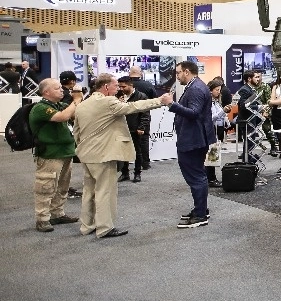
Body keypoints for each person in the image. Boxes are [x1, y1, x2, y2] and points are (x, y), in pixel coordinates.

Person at [73, 73, 171, 239]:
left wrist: (83, 148)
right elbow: (133, 107)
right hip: (103, 155)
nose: (118, 89)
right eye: (115, 86)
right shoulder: (108, 101)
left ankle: (87, 226)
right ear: (105, 87)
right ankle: (104, 228)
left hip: (86, 154)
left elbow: (76, 131)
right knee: (105, 191)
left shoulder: (83, 104)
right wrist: (159, 101)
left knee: (89, 191)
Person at [166, 61, 217, 229]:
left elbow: (194, 113)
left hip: (193, 140)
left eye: (178, 73)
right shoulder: (196, 86)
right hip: (194, 138)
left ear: (187, 72)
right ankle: (201, 209)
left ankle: (201, 215)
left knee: (196, 177)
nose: (177, 76)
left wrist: (171, 105)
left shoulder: (195, 88)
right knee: (197, 176)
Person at [28, 78, 80, 232]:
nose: (62, 90)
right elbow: (63, 117)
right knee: (45, 187)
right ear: (46, 92)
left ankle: (57, 214)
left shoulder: (59, 105)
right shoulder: (41, 108)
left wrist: (78, 101)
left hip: (66, 152)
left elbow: (74, 113)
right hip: (50, 154)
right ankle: (42, 219)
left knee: (62, 186)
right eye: (58, 88)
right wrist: (76, 100)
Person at [116, 77, 151, 183]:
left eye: (123, 86)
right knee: (123, 152)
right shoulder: (118, 96)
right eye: (120, 86)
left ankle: (137, 173)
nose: (121, 88)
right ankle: (125, 173)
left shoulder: (141, 96)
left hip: (135, 129)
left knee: (137, 152)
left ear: (131, 85)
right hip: (122, 128)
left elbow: (145, 113)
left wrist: (141, 127)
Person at [205, 80, 228, 188]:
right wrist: (223, 111)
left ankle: (211, 178)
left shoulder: (215, 101)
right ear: (210, 90)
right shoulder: (208, 102)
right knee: (211, 154)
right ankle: (211, 179)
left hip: (215, 130)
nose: (219, 92)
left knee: (213, 154)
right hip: (209, 130)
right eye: (216, 90)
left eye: (219, 90)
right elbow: (212, 117)